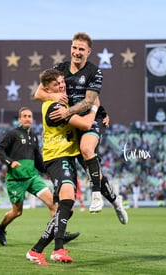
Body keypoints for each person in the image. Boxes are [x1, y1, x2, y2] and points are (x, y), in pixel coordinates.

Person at [34, 33, 128, 224]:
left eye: (81, 49)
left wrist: (67, 112)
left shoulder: (95, 72)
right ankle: (116, 201)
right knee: (92, 170)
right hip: (73, 124)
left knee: (87, 149)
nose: (77, 52)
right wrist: (53, 98)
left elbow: (89, 102)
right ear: (71, 47)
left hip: (91, 117)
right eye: (74, 48)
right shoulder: (59, 68)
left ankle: (96, 195)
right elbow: (39, 92)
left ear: (89, 52)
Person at [26, 68, 99, 265]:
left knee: (66, 208)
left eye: (62, 81)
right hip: (57, 157)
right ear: (48, 89)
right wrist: (94, 108)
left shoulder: (62, 100)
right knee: (67, 198)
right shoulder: (54, 107)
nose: (62, 85)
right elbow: (84, 125)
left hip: (66, 157)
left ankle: (37, 250)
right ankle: (58, 249)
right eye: (56, 84)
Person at [0, 107, 79, 246]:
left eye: (29, 116)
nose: (27, 118)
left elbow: (38, 159)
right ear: (20, 119)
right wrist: (10, 162)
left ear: (32, 119)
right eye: (24, 116)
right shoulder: (13, 134)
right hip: (16, 179)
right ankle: (0, 228)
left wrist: (49, 171)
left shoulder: (33, 136)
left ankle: (60, 233)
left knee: (53, 204)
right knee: (17, 212)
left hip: (32, 177)